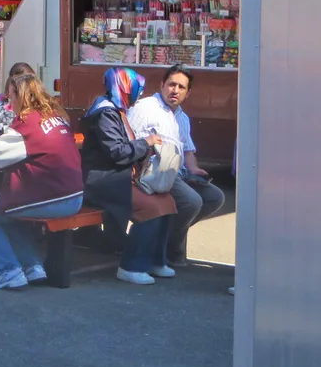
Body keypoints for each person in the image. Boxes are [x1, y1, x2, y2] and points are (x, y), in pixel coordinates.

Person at [0, 74, 85, 289]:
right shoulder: (55, 116)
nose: (9, 102)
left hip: (53, 199)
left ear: (21, 96)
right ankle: (32, 266)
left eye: (11, 96)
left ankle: (6, 271)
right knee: (7, 210)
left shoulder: (27, 123)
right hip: (74, 196)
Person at [81, 66, 177, 286]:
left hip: (117, 176)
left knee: (168, 202)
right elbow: (117, 151)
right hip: (103, 180)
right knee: (151, 209)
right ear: (124, 87)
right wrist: (146, 143)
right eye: (136, 89)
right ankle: (131, 266)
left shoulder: (116, 109)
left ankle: (155, 260)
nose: (138, 94)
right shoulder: (105, 113)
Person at [126, 64, 225, 267]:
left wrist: (194, 170)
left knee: (215, 197)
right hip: (153, 172)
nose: (175, 90)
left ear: (188, 93)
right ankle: (168, 250)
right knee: (191, 202)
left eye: (181, 87)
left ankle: (164, 243)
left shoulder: (182, 117)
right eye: (171, 84)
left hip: (178, 173)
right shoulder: (145, 107)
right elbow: (129, 141)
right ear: (162, 85)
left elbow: (187, 151)